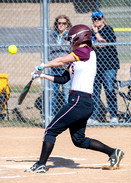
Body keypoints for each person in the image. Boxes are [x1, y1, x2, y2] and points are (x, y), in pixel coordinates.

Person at [25, 24, 124, 173]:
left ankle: (41, 164)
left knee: (50, 131)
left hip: (78, 101)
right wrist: (42, 75)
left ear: (79, 37)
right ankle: (113, 152)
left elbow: (61, 61)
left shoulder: (85, 51)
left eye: (71, 39)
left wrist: (42, 66)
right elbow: (63, 79)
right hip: (81, 103)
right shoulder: (77, 59)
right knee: (79, 140)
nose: (70, 42)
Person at [88, 11, 120, 124]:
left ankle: (113, 116)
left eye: (98, 18)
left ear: (103, 19)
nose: (96, 21)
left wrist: (96, 33)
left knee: (110, 90)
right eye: (94, 19)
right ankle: (93, 117)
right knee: (94, 92)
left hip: (109, 66)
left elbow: (102, 44)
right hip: (95, 66)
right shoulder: (90, 32)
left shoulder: (108, 30)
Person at [49, 15, 72, 116]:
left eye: (64, 23)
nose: (61, 25)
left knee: (67, 94)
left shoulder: (70, 36)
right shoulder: (52, 36)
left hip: (65, 69)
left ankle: (69, 117)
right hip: (53, 69)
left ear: (67, 25)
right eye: (59, 23)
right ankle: (49, 117)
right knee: (52, 94)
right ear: (56, 24)